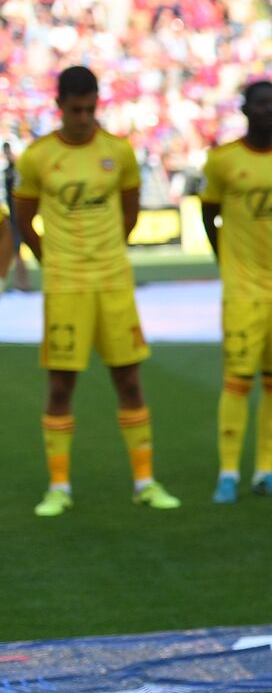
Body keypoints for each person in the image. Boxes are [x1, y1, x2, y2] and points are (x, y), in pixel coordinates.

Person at [13, 66, 181, 516]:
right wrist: (53, 258)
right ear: (60, 106)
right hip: (66, 285)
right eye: (76, 109)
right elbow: (23, 216)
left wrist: (107, 252)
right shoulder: (38, 156)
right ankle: (59, 487)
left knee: (128, 379)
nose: (84, 117)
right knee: (61, 385)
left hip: (113, 282)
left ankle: (145, 482)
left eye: (91, 108)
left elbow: (129, 214)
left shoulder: (118, 152)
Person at [200, 80, 272, 503]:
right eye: (261, 104)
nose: (269, 111)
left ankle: (266, 471)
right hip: (243, 289)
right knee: (239, 379)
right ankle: (228, 472)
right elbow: (208, 214)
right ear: (245, 110)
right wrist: (225, 257)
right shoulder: (223, 161)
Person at [3, 142, 31, 291]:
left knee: (19, 249)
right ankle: (19, 283)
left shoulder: (18, 169)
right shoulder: (7, 170)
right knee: (16, 250)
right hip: (12, 214)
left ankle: (23, 283)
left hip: (19, 214)